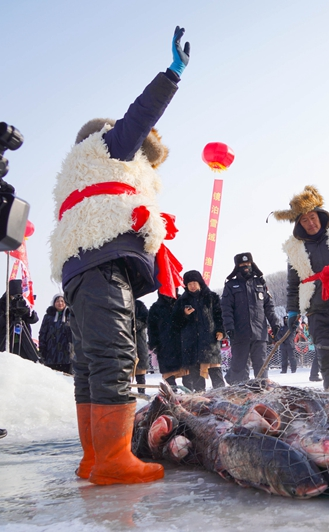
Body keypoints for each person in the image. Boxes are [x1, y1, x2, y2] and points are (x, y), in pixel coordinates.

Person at [48, 27, 190, 485]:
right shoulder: (105, 150)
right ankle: (113, 459)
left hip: (80, 272)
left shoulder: (76, 177)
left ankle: (94, 458)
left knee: (89, 364)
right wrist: (172, 74)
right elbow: (139, 116)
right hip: (103, 265)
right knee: (113, 357)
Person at [274, 185, 329, 390]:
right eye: (304, 220)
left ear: (320, 216)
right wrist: (292, 311)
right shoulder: (294, 248)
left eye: (312, 217)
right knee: (327, 358)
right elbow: (293, 284)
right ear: (299, 224)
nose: (310, 223)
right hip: (318, 311)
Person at [220, 252, 280, 384]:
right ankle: (240, 394)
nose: (245, 266)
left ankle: (262, 393)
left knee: (261, 368)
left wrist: (275, 324)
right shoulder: (231, 285)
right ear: (237, 267)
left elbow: (268, 307)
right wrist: (229, 327)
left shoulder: (260, 284)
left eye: (248, 264)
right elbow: (226, 309)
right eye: (242, 264)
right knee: (239, 368)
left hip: (260, 333)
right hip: (239, 333)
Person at [175, 270, 225, 391]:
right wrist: (184, 314)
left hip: (210, 341)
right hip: (191, 344)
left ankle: (223, 396)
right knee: (196, 377)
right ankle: (201, 402)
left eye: (194, 283)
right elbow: (175, 323)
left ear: (200, 283)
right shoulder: (181, 301)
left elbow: (220, 316)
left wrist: (221, 331)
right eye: (189, 284)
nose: (192, 286)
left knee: (216, 373)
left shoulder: (212, 297)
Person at [148, 291, 186, 387]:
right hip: (165, 344)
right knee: (168, 374)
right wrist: (154, 343)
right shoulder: (156, 307)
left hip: (184, 343)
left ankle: (192, 396)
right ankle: (173, 395)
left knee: (188, 375)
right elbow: (152, 328)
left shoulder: (184, 302)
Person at [0, 280, 40, 363]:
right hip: (6, 339)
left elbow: (34, 319)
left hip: (23, 340)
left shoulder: (25, 303)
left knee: (26, 363)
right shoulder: (2, 304)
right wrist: (8, 314)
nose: (16, 298)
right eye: (13, 296)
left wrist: (28, 312)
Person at [39, 294, 73, 374]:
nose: (60, 303)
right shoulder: (48, 317)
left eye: (62, 301)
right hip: (51, 354)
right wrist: (42, 349)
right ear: (54, 303)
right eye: (57, 301)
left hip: (67, 355)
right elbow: (43, 333)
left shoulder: (71, 316)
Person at [133, 300, 150, 394]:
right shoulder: (116, 302)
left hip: (139, 340)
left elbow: (146, 320)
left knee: (140, 368)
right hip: (122, 340)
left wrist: (135, 324)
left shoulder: (139, 304)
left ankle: (142, 392)